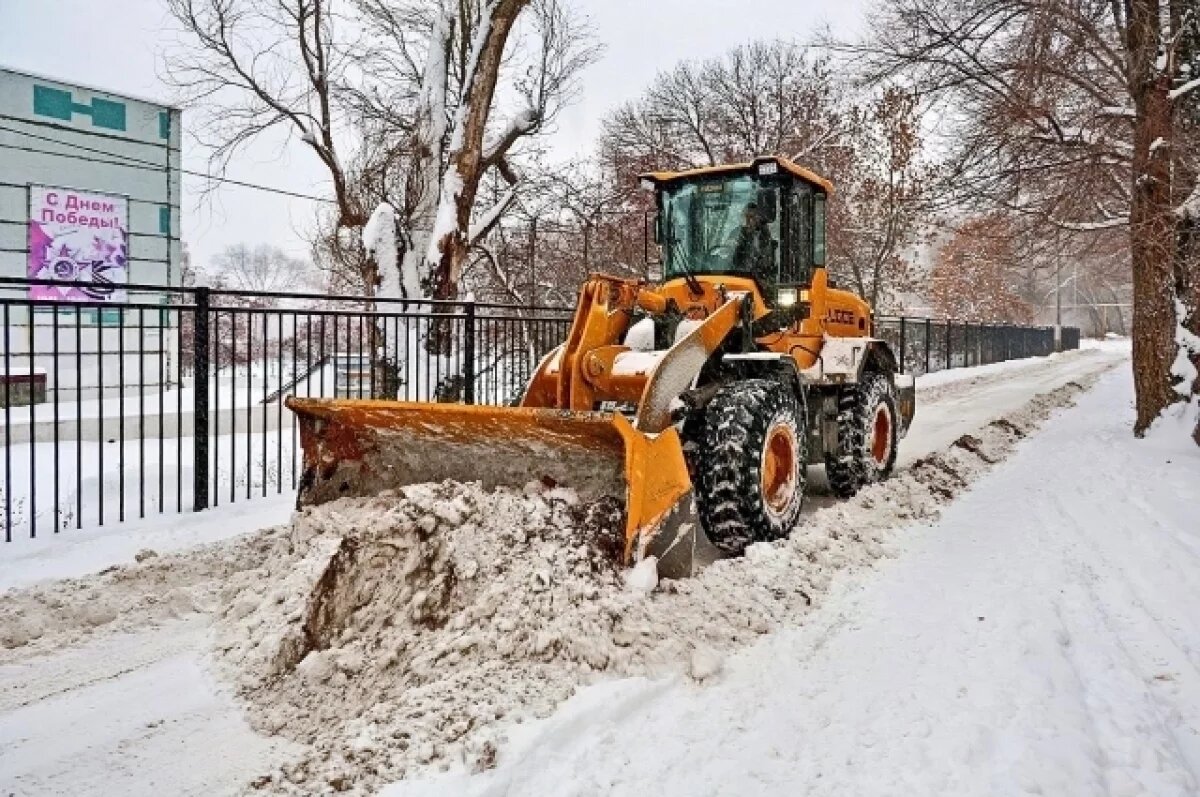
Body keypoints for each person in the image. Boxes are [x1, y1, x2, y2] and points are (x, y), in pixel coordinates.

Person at [732, 202, 775, 273]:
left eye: (752, 217)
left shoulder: (764, 235)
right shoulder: (738, 232)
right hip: (737, 273)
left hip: (756, 275)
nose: (749, 221)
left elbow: (766, 262)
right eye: (747, 217)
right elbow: (730, 253)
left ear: (758, 218)